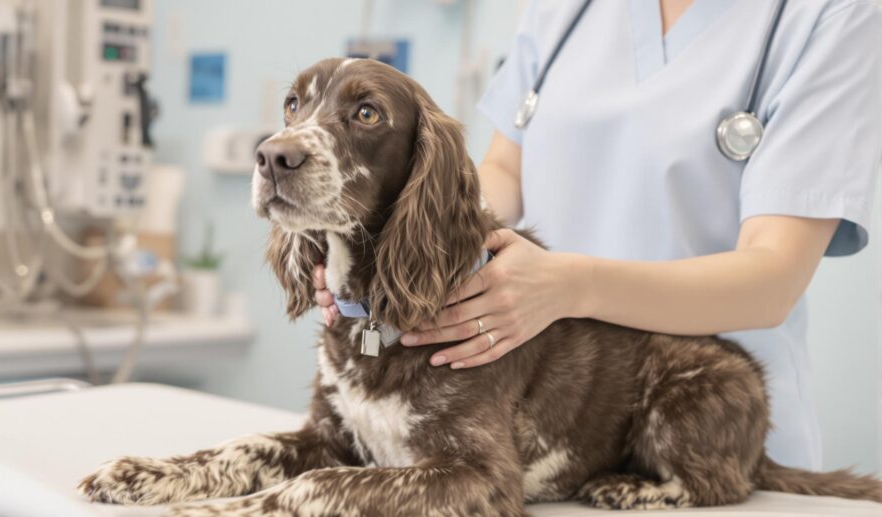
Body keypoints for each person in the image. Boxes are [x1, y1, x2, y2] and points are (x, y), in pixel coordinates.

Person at [312, 0, 882, 471]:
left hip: (701, 435)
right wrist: (402, 247)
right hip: (552, 427)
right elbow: (506, 172)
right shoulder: (563, 9)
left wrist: (567, 286)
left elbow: (773, 280)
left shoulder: (830, 14)